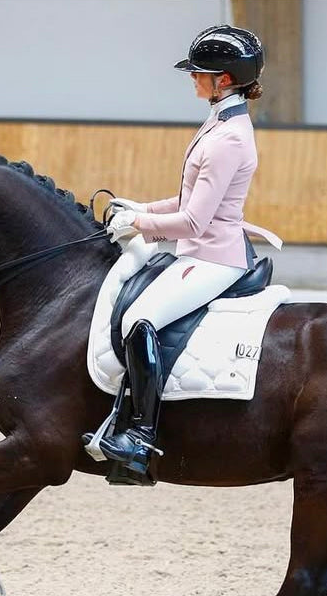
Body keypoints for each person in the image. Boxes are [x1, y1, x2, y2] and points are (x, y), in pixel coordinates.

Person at [95, 24, 281, 481]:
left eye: (199, 73)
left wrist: (139, 224)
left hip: (214, 255)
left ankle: (139, 435)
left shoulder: (229, 139)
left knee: (141, 323)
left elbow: (196, 221)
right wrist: (142, 207)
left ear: (224, 79)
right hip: (202, 246)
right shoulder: (220, 122)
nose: (192, 78)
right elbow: (190, 199)